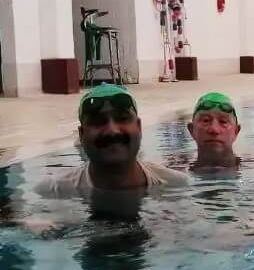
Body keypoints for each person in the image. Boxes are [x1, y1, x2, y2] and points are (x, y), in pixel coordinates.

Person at [37, 83, 189, 196]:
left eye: (122, 119)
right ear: (81, 135)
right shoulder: (53, 190)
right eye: (98, 122)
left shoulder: (175, 184)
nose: (112, 131)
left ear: (139, 127)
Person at [187, 91, 241, 171]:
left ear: (236, 131)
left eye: (223, 121)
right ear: (192, 130)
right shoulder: (174, 172)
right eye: (206, 120)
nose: (214, 130)